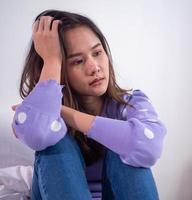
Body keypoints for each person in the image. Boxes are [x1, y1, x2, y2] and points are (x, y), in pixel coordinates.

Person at [11, 9, 166, 200]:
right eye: (78, 61)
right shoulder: (43, 111)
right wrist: (51, 59)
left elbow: (149, 148)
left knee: (126, 143)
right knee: (55, 142)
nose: (94, 67)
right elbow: (37, 135)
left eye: (97, 52)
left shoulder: (132, 102)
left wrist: (65, 113)